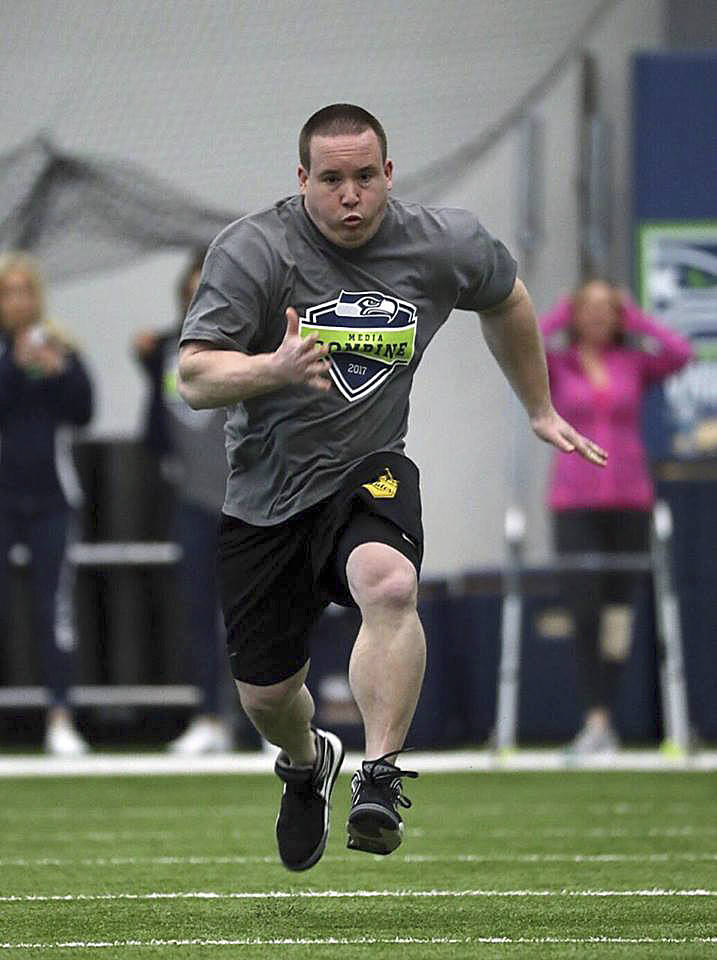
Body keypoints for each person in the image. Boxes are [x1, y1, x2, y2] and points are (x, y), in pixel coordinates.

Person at [178, 103, 605, 871]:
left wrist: (539, 406)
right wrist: (270, 369)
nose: (350, 196)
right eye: (332, 179)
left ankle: (378, 777)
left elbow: (505, 297)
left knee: (389, 581)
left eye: (365, 178)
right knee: (268, 700)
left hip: (368, 466)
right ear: (302, 180)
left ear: (388, 175)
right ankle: (309, 762)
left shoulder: (443, 244)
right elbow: (195, 376)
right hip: (265, 497)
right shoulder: (253, 251)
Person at [540, 280, 692, 753]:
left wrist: (636, 316)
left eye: (609, 310)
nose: (600, 317)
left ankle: (606, 716)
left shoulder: (633, 362)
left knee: (618, 615)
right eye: (592, 308)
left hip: (629, 498)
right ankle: (595, 716)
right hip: (575, 498)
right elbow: (531, 340)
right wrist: (564, 310)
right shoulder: (559, 363)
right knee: (584, 607)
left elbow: (681, 352)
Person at [133, 251, 232, 754]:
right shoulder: (168, 350)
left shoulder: (241, 346)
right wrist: (148, 359)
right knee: (197, 611)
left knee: (253, 615)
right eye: (188, 294)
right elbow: (157, 422)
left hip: (244, 501)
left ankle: (268, 722)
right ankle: (208, 717)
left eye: (205, 293)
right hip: (192, 498)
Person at [0, 251, 93, 755]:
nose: (17, 301)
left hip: (53, 499)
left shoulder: (59, 345)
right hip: (3, 498)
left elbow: (85, 411)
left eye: (25, 291)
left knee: (54, 610)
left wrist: (56, 371)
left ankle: (60, 717)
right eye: (8, 292)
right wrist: (14, 367)